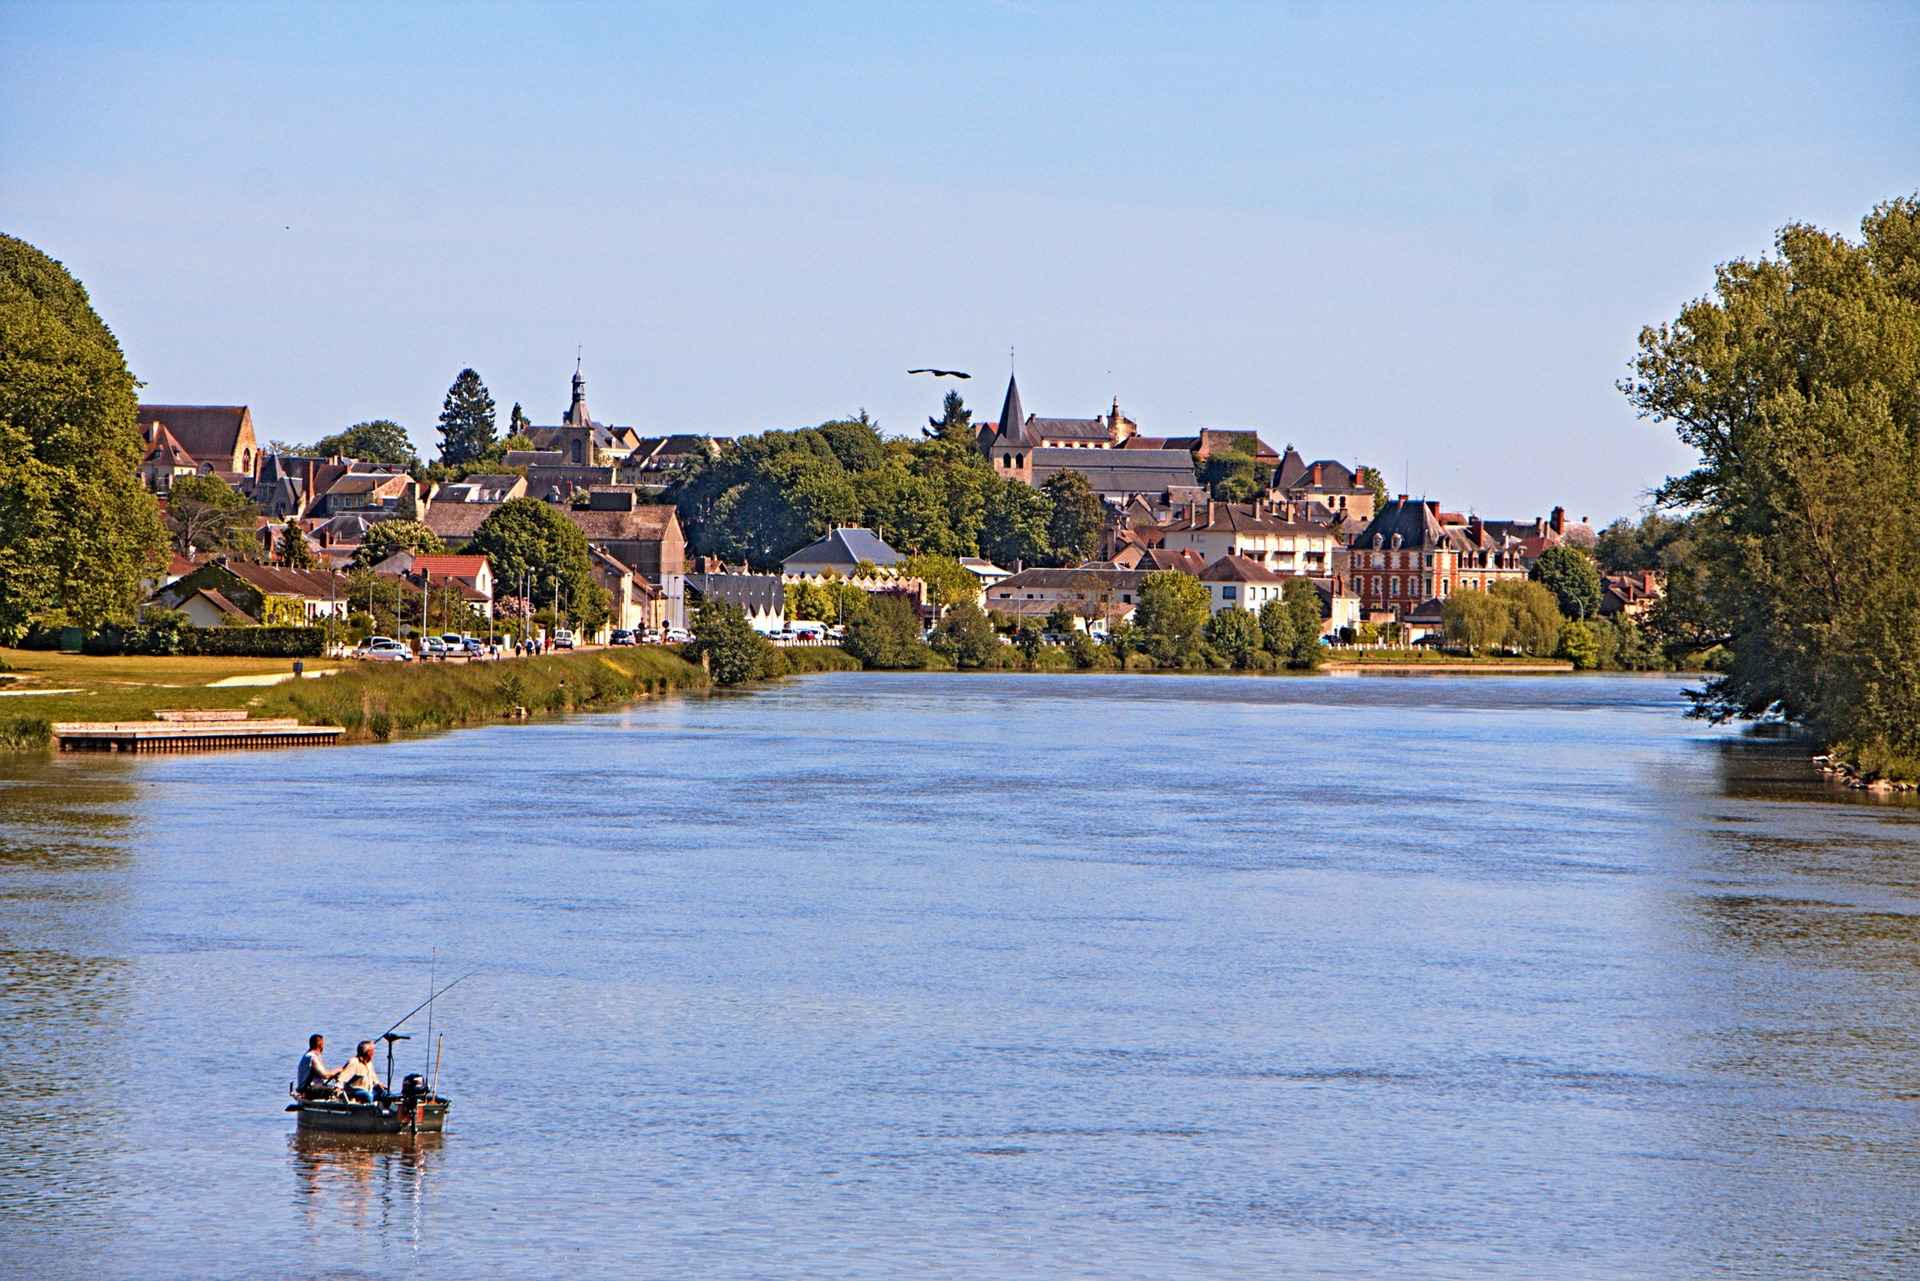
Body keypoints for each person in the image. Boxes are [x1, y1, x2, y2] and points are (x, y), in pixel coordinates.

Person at [335, 1039, 383, 1104]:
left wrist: (379, 1085)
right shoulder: (354, 1062)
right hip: (355, 1091)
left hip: (369, 1090)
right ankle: (370, 1110)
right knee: (367, 1096)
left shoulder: (369, 1064)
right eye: (373, 1051)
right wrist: (338, 1088)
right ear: (368, 1052)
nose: (374, 1053)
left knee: (384, 1094)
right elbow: (342, 1078)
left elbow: (374, 1079)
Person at [294, 1032, 341, 1098]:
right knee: (338, 1090)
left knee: (334, 1086)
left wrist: (333, 1076)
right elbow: (325, 1075)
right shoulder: (313, 1057)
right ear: (320, 1045)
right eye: (323, 1045)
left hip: (307, 1088)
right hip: (308, 1090)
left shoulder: (307, 1055)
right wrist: (338, 1070)